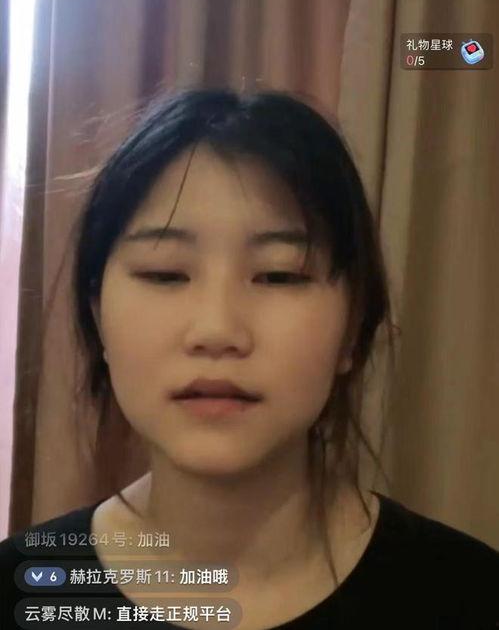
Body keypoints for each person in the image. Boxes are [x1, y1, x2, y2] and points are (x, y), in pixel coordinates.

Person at [1, 89, 498, 629]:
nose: (217, 330)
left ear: (353, 329)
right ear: (99, 317)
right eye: (165, 274)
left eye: (279, 275)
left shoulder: (470, 596)